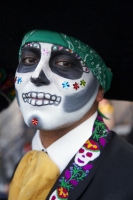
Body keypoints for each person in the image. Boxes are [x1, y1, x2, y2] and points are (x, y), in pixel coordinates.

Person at [8, 30, 133, 200]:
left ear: (99, 89)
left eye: (64, 63)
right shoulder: (25, 164)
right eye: (29, 60)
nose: (37, 76)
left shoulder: (127, 176)